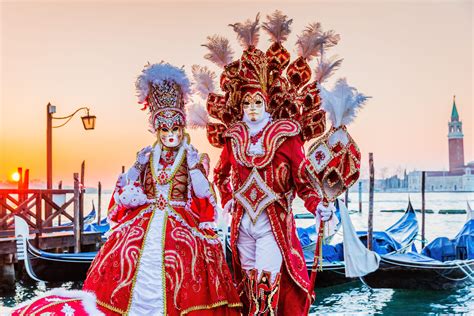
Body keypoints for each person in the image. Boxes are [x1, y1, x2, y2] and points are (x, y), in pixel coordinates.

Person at [199, 12, 339, 315]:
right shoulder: (233, 138)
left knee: (266, 282)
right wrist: (226, 201)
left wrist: (318, 206)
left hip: (272, 224)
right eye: (247, 103)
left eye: (257, 103)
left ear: (266, 102)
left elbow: (304, 181)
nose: (251, 109)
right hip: (241, 224)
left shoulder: (286, 138)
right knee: (246, 283)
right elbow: (221, 174)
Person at [82, 62, 242, 315]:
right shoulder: (146, 155)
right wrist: (137, 166)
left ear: (182, 128)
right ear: (156, 129)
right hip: (143, 220)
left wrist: (192, 168)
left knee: (185, 265)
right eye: (164, 129)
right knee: (125, 259)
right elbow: (125, 188)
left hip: (181, 223)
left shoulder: (193, 157)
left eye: (175, 129)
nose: (169, 134)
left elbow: (203, 194)